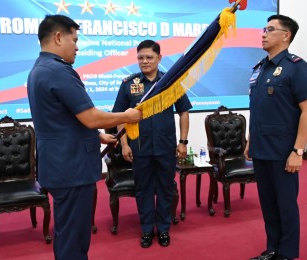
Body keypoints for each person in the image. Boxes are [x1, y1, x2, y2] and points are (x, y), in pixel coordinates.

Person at [26, 15, 142, 260]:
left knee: (68, 232)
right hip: (71, 168)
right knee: (74, 238)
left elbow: (62, 119)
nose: (77, 47)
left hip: (59, 165)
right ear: (58, 37)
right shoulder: (59, 71)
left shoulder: (40, 69)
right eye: (75, 40)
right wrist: (128, 116)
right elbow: (90, 116)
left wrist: (98, 136)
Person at [244, 15, 307, 260]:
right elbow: (258, 109)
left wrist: (298, 151)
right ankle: (272, 249)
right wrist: (249, 140)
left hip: (284, 151)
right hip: (261, 149)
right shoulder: (259, 68)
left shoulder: (296, 67)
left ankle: (286, 254)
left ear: (286, 35)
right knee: (268, 205)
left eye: (270, 29)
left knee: (285, 206)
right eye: (264, 29)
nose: (263, 33)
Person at [112, 40, 192, 248]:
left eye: (149, 57)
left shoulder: (171, 82)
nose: (144, 61)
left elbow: (184, 111)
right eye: (140, 57)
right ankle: (147, 229)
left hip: (166, 147)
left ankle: (163, 229)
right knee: (143, 189)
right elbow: (120, 116)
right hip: (139, 148)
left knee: (166, 188)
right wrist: (124, 144)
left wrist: (183, 142)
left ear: (159, 58)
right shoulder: (129, 83)